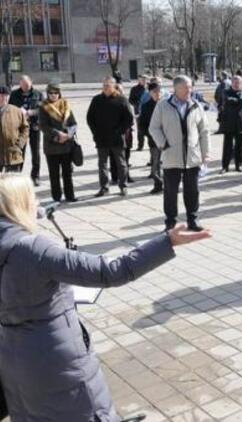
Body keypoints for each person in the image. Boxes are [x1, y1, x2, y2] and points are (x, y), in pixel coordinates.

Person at [0, 173, 210, 422]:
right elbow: (113, 271)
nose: (37, 203)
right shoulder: (34, 249)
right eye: (32, 197)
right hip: (56, 360)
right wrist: (167, 241)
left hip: (14, 358)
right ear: (18, 204)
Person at [149, 75, 211, 232]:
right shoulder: (163, 106)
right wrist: (163, 144)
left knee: (192, 191)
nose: (189, 90)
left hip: (192, 157)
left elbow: (204, 131)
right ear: (176, 89)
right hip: (171, 156)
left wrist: (206, 153)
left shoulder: (196, 105)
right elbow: (154, 127)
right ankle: (170, 222)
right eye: (186, 87)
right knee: (170, 192)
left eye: (191, 87)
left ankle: (193, 219)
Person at [87, 76, 133, 197]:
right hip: (101, 138)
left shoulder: (121, 99)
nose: (106, 87)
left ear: (114, 86)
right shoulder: (96, 100)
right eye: (104, 85)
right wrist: (95, 132)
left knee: (121, 163)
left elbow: (129, 119)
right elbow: (90, 118)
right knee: (102, 164)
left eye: (108, 85)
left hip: (117, 138)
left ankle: (123, 186)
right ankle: (104, 187)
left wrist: (120, 131)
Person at [39, 82, 77, 203]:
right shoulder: (43, 106)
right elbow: (44, 126)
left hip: (66, 145)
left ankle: (70, 196)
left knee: (67, 172)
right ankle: (56, 197)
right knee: (54, 174)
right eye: (51, 93)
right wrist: (58, 135)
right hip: (52, 146)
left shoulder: (65, 104)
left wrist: (68, 135)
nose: (54, 95)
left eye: (56, 92)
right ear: (47, 93)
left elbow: (73, 123)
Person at [9, 75, 43, 185]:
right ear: (20, 84)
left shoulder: (38, 94)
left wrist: (31, 112)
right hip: (20, 128)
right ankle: (18, 174)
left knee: (35, 152)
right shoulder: (14, 94)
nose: (26, 88)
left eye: (28, 85)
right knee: (19, 151)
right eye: (23, 86)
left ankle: (35, 176)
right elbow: (9, 108)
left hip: (34, 127)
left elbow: (43, 109)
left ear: (31, 83)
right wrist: (19, 112)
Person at [219, 76, 242, 174]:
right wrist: (237, 101)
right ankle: (225, 166)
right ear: (231, 83)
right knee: (227, 145)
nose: (236, 84)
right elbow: (228, 101)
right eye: (235, 82)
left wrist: (237, 101)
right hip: (228, 122)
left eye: (239, 83)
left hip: (240, 123)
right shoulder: (226, 92)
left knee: (239, 146)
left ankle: (239, 164)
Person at [139, 82, 163, 194]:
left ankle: (170, 185)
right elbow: (142, 124)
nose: (158, 93)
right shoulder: (146, 106)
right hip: (154, 140)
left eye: (159, 91)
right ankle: (158, 184)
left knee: (169, 164)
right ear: (150, 93)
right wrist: (150, 134)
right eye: (155, 91)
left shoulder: (167, 104)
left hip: (169, 140)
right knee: (155, 164)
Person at [0, 85, 29, 173]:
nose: (2, 98)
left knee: (12, 183)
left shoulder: (16, 111)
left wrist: (19, 145)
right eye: (0, 95)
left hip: (13, 154)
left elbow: (25, 128)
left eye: (5, 96)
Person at [114, 83, 135, 185]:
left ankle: (127, 175)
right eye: (117, 89)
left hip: (127, 133)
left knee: (126, 155)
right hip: (115, 134)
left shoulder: (126, 101)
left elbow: (131, 118)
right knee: (115, 157)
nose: (119, 91)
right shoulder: (112, 102)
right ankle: (115, 176)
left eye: (121, 90)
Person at [128, 75, 148, 151]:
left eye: (145, 80)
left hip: (150, 111)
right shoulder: (134, 89)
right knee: (140, 129)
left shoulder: (149, 87)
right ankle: (140, 145)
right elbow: (130, 100)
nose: (143, 81)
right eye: (142, 80)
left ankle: (153, 145)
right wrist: (136, 103)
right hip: (139, 111)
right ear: (138, 80)